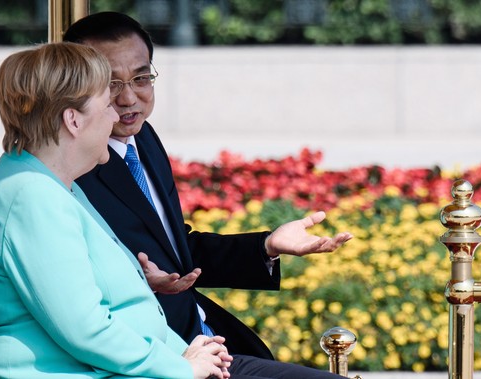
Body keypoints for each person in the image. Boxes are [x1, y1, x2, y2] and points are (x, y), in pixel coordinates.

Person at [63, 10, 352, 371]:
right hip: (161, 355)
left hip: (206, 337)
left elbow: (177, 255)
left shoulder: (144, 139)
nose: (128, 99)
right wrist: (142, 283)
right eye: (111, 84)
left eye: (140, 78)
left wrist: (267, 246)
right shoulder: (75, 166)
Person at [0, 42, 233, 379]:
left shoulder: (49, 181)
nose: (115, 115)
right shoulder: (32, 195)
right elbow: (85, 330)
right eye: (107, 104)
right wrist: (182, 367)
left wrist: (184, 354)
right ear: (73, 120)